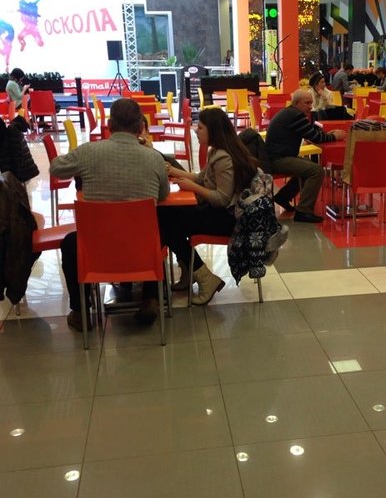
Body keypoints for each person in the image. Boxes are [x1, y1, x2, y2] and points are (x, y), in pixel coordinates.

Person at [49, 98, 169, 331]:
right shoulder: (154, 158)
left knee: (71, 243)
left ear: (109, 125)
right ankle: (150, 297)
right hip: (141, 249)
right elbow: (163, 194)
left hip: (96, 249)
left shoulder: (88, 152)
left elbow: (56, 168)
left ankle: (80, 311)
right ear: (140, 127)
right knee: (159, 230)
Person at [158, 108, 258, 305]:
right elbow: (202, 178)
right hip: (220, 212)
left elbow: (222, 199)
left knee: (168, 225)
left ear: (214, 130)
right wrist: (175, 172)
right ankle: (191, 273)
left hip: (230, 219)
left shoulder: (223, 157)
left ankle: (204, 277)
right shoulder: (216, 151)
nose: (196, 130)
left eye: (201, 127)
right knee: (169, 216)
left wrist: (193, 187)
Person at [265, 89, 347, 223]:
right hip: (278, 160)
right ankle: (303, 211)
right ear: (296, 103)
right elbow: (315, 137)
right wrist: (334, 137)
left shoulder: (290, 113)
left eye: (311, 103)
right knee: (316, 170)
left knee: (308, 167)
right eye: (307, 103)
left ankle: (283, 197)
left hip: (276, 156)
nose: (310, 106)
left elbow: (310, 133)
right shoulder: (296, 116)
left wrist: (328, 135)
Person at [0, 116, 39, 184]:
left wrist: (18, 180)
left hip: (19, 175)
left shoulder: (8, 138)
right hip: (20, 173)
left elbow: (17, 159)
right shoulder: (10, 133)